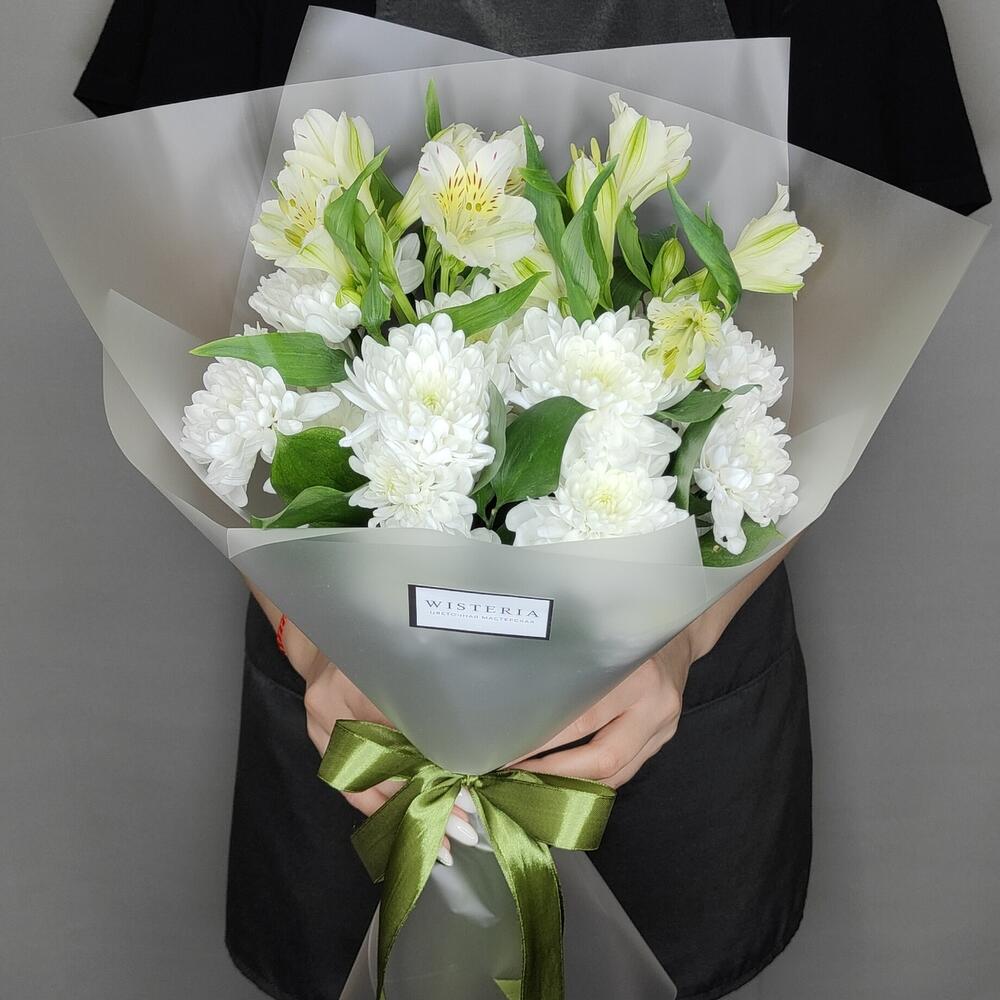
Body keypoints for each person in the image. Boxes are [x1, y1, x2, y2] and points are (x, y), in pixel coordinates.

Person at [75, 2, 990, 998]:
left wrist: (687, 634)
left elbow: (859, 296)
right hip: (351, 707)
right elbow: (170, 265)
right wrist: (309, 638)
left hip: (671, 717)